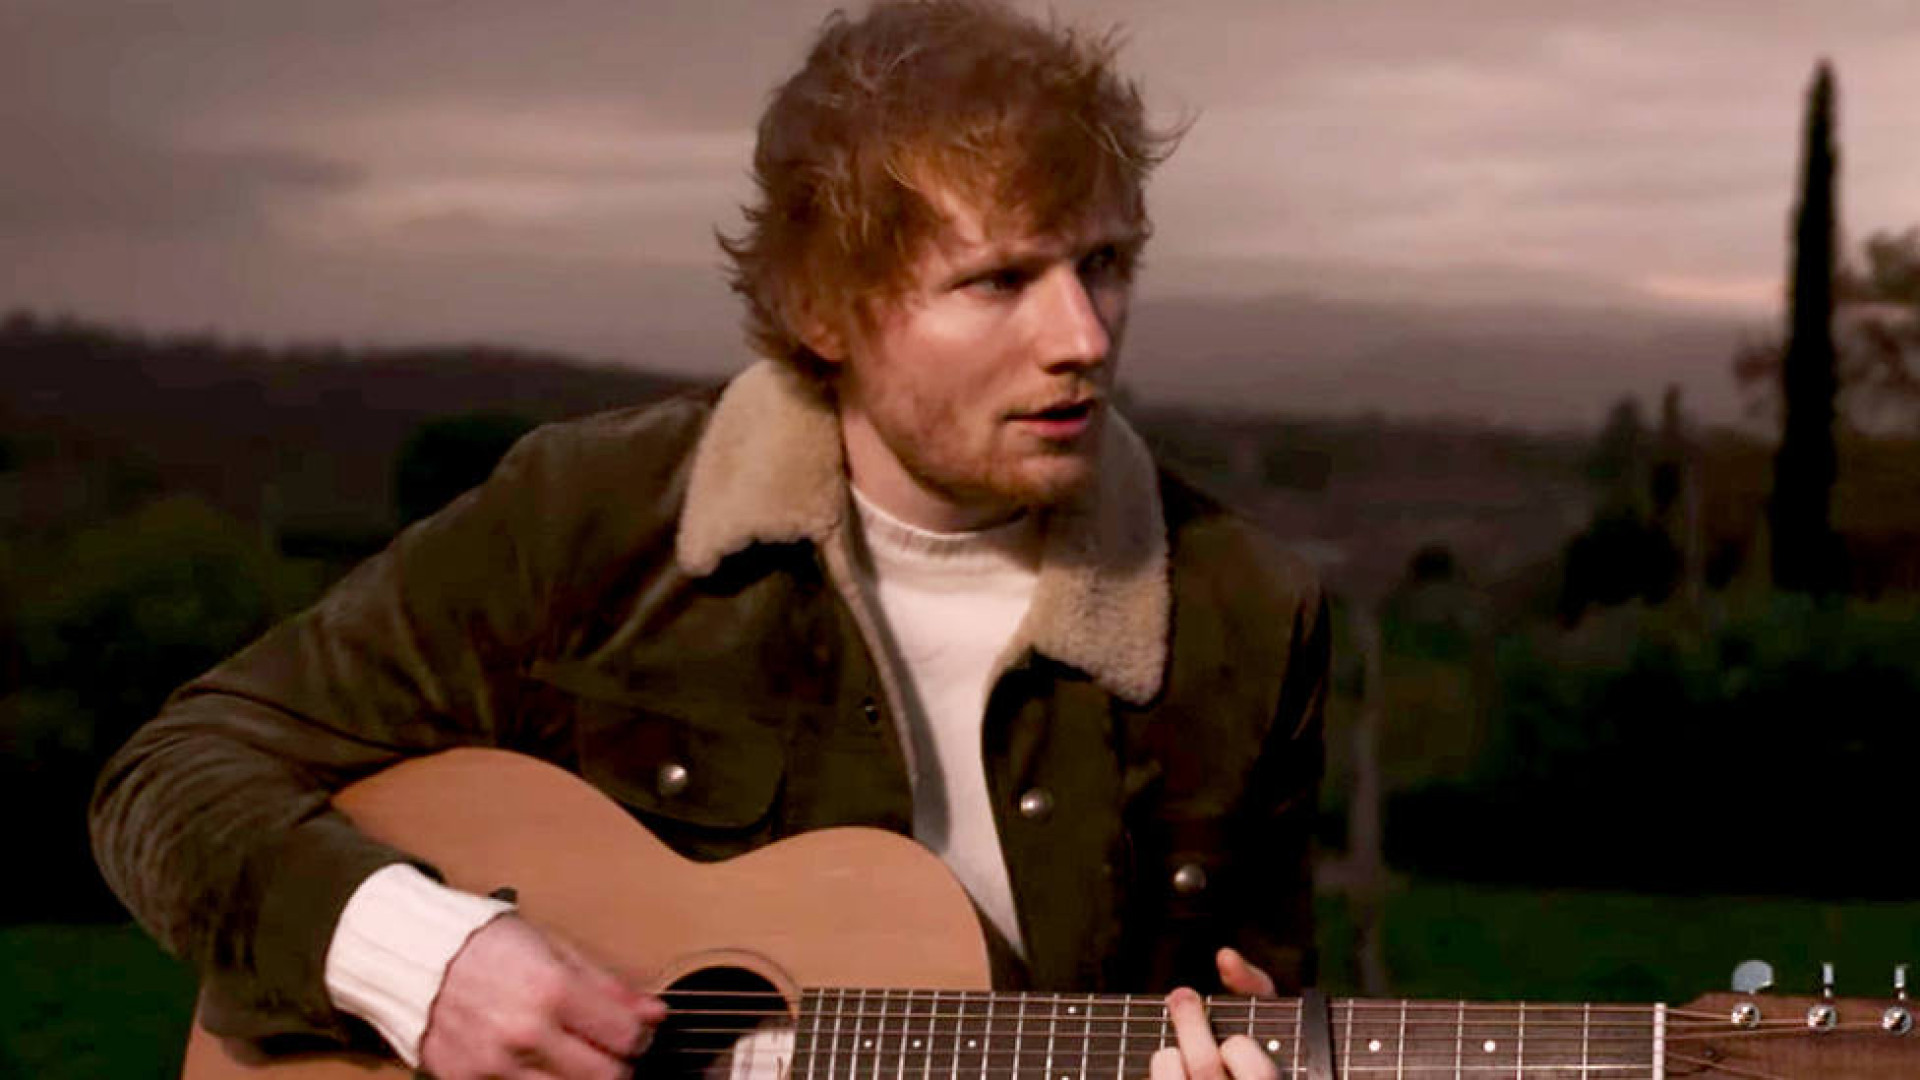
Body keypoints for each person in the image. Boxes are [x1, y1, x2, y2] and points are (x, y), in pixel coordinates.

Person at [90, 3, 1328, 1078]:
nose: (1083, 337)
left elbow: (1247, 1009)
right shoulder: (593, 518)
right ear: (826, 309)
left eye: (1104, 263)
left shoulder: (1248, 618)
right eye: (999, 281)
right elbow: (173, 775)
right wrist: (425, 961)